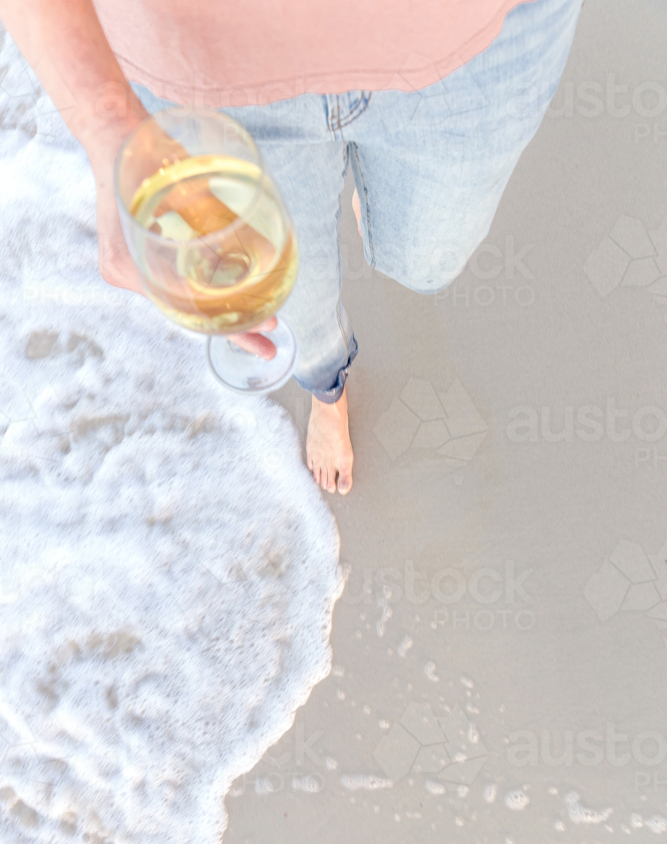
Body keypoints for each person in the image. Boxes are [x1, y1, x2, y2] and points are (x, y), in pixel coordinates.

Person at [0, 0, 583, 495]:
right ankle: (327, 392)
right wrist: (109, 129)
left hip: (477, 47)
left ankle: (377, 198)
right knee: (287, 315)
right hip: (206, 63)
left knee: (425, 261)